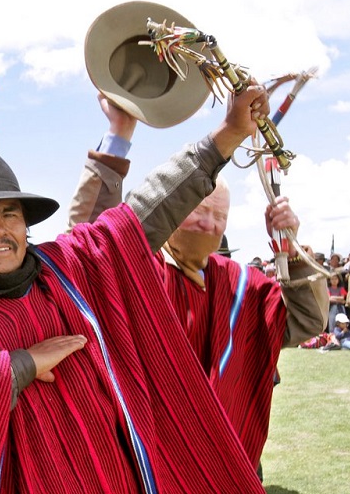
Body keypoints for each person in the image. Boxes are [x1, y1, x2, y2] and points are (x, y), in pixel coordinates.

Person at [0, 82, 274, 492]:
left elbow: (142, 214)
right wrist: (18, 366)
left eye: (10, 215)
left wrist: (226, 134)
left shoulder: (69, 272)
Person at [67, 92, 327, 474]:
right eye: (199, 211)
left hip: (230, 468)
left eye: (219, 217)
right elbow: (90, 243)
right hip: (153, 467)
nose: (209, 225)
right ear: (174, 209)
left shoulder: (242, 287)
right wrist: (118, 134)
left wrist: (291, 247)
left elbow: (308, 320)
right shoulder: (140, 274)